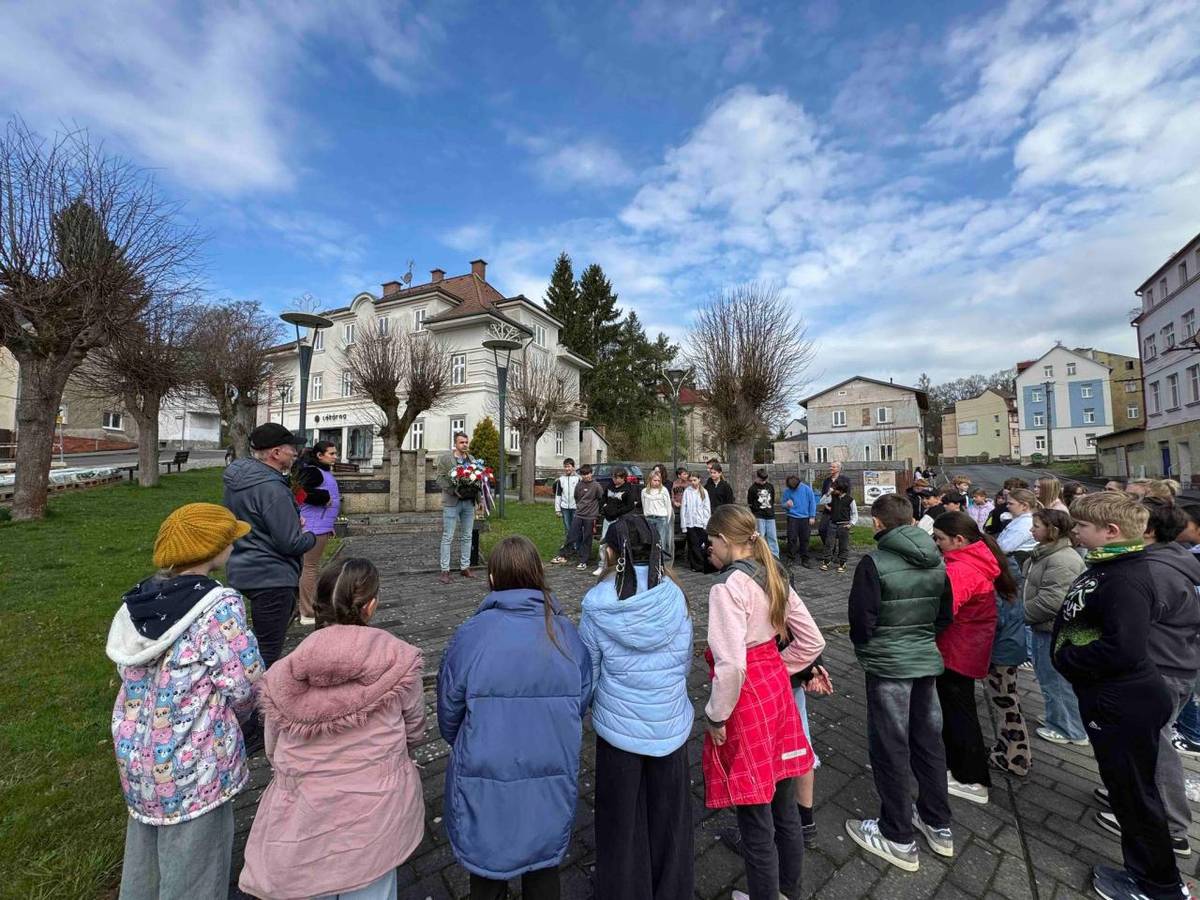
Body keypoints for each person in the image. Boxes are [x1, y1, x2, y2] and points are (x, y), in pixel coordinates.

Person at [239, 559, 426, 900]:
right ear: (370, 606)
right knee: (374, 885)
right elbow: (414, 727)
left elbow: (273, 747)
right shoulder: (398, 661)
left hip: (306, 817)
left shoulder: (284, 674)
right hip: (375, 813)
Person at [106, 503, 263, 900]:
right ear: (213, 548)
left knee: (145, 857)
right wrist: (247, 720)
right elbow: (245, 683)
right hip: (196, 760)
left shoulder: (138, 603)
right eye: (230, 539)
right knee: (197, 866)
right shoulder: (218, 606)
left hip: (139, 757)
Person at [438, 536, 592, 900]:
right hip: (550, 768)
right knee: (543, 868)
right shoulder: (565, 634)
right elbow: (581, 699)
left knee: (488, 871)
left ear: (492, 577)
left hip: (485, 771)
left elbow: (448, 711)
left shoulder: (472, 635)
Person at [1052, 492, 1187, 900]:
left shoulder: (1126, 577)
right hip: (1111, 696)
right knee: (1127, 790)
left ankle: (1158, 885)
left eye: (1082, 527)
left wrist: (1070, 659)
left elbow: (1124, 648)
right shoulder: (1111, 566)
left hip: (1120, 699)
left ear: (1111, 532)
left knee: (1135, 796)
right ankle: (1145, 873)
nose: (1074, 531)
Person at [703, 504, 817, 900]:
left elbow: (731, 665)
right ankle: (790, 891)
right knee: (784, 805)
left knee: (753, 810)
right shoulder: (773, 574)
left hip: (748, 700)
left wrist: (716, 716)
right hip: (778, 693)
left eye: (710, 542)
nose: (707, 550)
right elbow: (813, 640)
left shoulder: (726, 587)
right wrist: (780, 667)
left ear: (724, 540)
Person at [580, 517, 694, 900]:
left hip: (619, 730)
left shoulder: (597, 604)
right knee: (670, 821)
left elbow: (589, 672)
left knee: (620, 823)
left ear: (611, 552)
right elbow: (684, 660)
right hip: (669, 723)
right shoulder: (676, 596)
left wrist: (592, 707)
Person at [845, 492, 954, 872]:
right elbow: (945, 613)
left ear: (877, 523)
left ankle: (897, 835)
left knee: (890, 747)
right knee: (928, 741)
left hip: (890, 664)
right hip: (924, 659)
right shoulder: (938, 559)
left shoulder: (874, 563)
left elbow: (861, 620)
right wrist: (922, 640)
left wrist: (870, 649)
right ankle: (937, 822)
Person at [1091, 499, 1200, 860]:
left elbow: (1127, 628)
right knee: (1143, 743)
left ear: (1147, 530)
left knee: (1153, 744)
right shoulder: (1175, 558)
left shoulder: (1155, 571)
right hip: (1171, 664)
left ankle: (1170, 827)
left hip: (1159, 670)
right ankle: (1133, 798)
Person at [931, 512, 1014, 806]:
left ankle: (971, 778)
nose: (937, 544)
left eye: (940, 539)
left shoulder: (962, 569)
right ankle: (962, 769)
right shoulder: (976, 559)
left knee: (958, 715)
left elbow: (942, 611)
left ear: (959, 540)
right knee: (958, 711)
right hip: (967, 649)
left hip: (956, 651)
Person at [223, 423, 315, 670]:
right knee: (267, 652)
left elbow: (253, 521)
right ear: (275, 453)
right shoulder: (272, 488)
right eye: (291, 449)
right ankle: (257, 705)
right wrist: (309, 535)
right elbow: (291, 542)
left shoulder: (241, 480)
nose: (295, 453)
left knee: (251, 645)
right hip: (271, 577)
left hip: (243, 568)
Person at [1021, 509, 1088, 746]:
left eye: (1036, 525)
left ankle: (1069, 728)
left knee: (1056, 680)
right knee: (1049, 678)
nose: (1031, 530)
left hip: (1053, 630)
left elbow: (1052, 601)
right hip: (1045, 628)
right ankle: (1058, 716)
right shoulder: (1047, 554)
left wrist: (1022, 614)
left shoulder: (1062, 559)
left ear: (1053, 530)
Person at [295, 441, 341, 626]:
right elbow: (298, 492)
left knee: (310, 567)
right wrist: (323, 498)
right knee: (309, 567)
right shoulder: (313, 471)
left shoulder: (321, 471)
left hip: (320, 526)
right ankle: (307, 612)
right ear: (319, 455)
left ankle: (309, 607)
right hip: (313, 528)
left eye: (335, 453)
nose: (335, 456)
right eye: (331, 453)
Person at [437, 431, 483, 585]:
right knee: (448, 536)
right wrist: (453, 490)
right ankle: (445, 570)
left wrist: (479, 500)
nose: (465, 445)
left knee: (467, 536)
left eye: (466, 442)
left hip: (468, 503)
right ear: (455, 444)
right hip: (452, 501)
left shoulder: (472, 460)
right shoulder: (446, 459)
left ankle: (465, 567)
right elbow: (439, 478)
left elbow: (477, 482)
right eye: (462, 442)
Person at [564, 464, 604, 571]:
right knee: (572, 534)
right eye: (583, 474)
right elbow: (577, 497)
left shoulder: (596, 486)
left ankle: (583, 561)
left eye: (587, 474)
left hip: (590, 516)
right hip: (579, 514)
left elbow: (601, 498)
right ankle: (563, 555)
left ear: (591, 473)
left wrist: (594, 510)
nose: (586, 476)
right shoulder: (579, 485)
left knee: (587, 538)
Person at [820, 476, 855, 573]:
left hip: (844, 525)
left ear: (841, 490)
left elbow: (854, 513)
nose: (833, 490)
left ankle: (842, 563)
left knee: (843, 545)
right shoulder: (832, 497)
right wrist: (828, 493)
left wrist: (851, 524)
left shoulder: (850, 500)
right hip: (832, 524)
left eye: (835, 489)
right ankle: (826, 561)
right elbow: (822, 501)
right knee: (829, 544)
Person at [782, 474, 817, 568]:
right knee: (791, 538)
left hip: (805, 518)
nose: (792, 489)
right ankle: (790, 558)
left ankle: (805, 559)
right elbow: (783, 504)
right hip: (792, 517)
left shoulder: (807, 489)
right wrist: (787, 505)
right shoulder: (787, 491)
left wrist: (812, 516)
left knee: (805, 539)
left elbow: (812, 502)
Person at [640, 468, 675, 561]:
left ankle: (660, 560)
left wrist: (667, 519)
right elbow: (644, 505)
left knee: (661, 540)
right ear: (650, 480)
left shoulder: (663, 490)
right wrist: (646, 516)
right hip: (649, 518)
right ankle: (651, 559)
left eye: (659, 481)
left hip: (661, 518)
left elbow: (668, 505)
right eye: (655, 480)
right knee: (650, 539)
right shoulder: (644, 491)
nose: (657, 482)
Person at [681, 474, 713, 573]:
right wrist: (684, 524)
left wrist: (705, 523)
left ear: (699, 480)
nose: (693, 483)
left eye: (695, 480)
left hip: (700, 522)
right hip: (690, 522)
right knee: (693, 544)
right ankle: (695, 565)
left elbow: (706, 508)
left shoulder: (704, 492)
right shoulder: (687, 491)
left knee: (702, 544)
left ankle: (703, 563)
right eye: (691, 481)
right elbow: (684, 508)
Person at [747, 468, 780, 557]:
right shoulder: (752, 489)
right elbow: (750, 502)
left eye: (764, 480)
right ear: (757, 477)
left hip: (770, 516)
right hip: (759, 516)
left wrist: (770, 510)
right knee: (760, 537)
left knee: (772, 537)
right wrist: (756, 511)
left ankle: (775, 557)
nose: (763, 482)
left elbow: (772, 499)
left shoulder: (770, 486)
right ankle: (760, 556)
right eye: (761, 480)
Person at [552, 457, 579, 553]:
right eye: (565, 467)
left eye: (569, 466)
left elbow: (580, 495)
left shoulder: (577, 479)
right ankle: (569, 545)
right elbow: (558, 495)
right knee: (567, 527)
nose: (567, 468)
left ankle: (576, 545)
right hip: (565, 508)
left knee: (575, 527)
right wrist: (557, 509)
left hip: (575, 507)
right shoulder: (560, 480)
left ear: (573, 467)